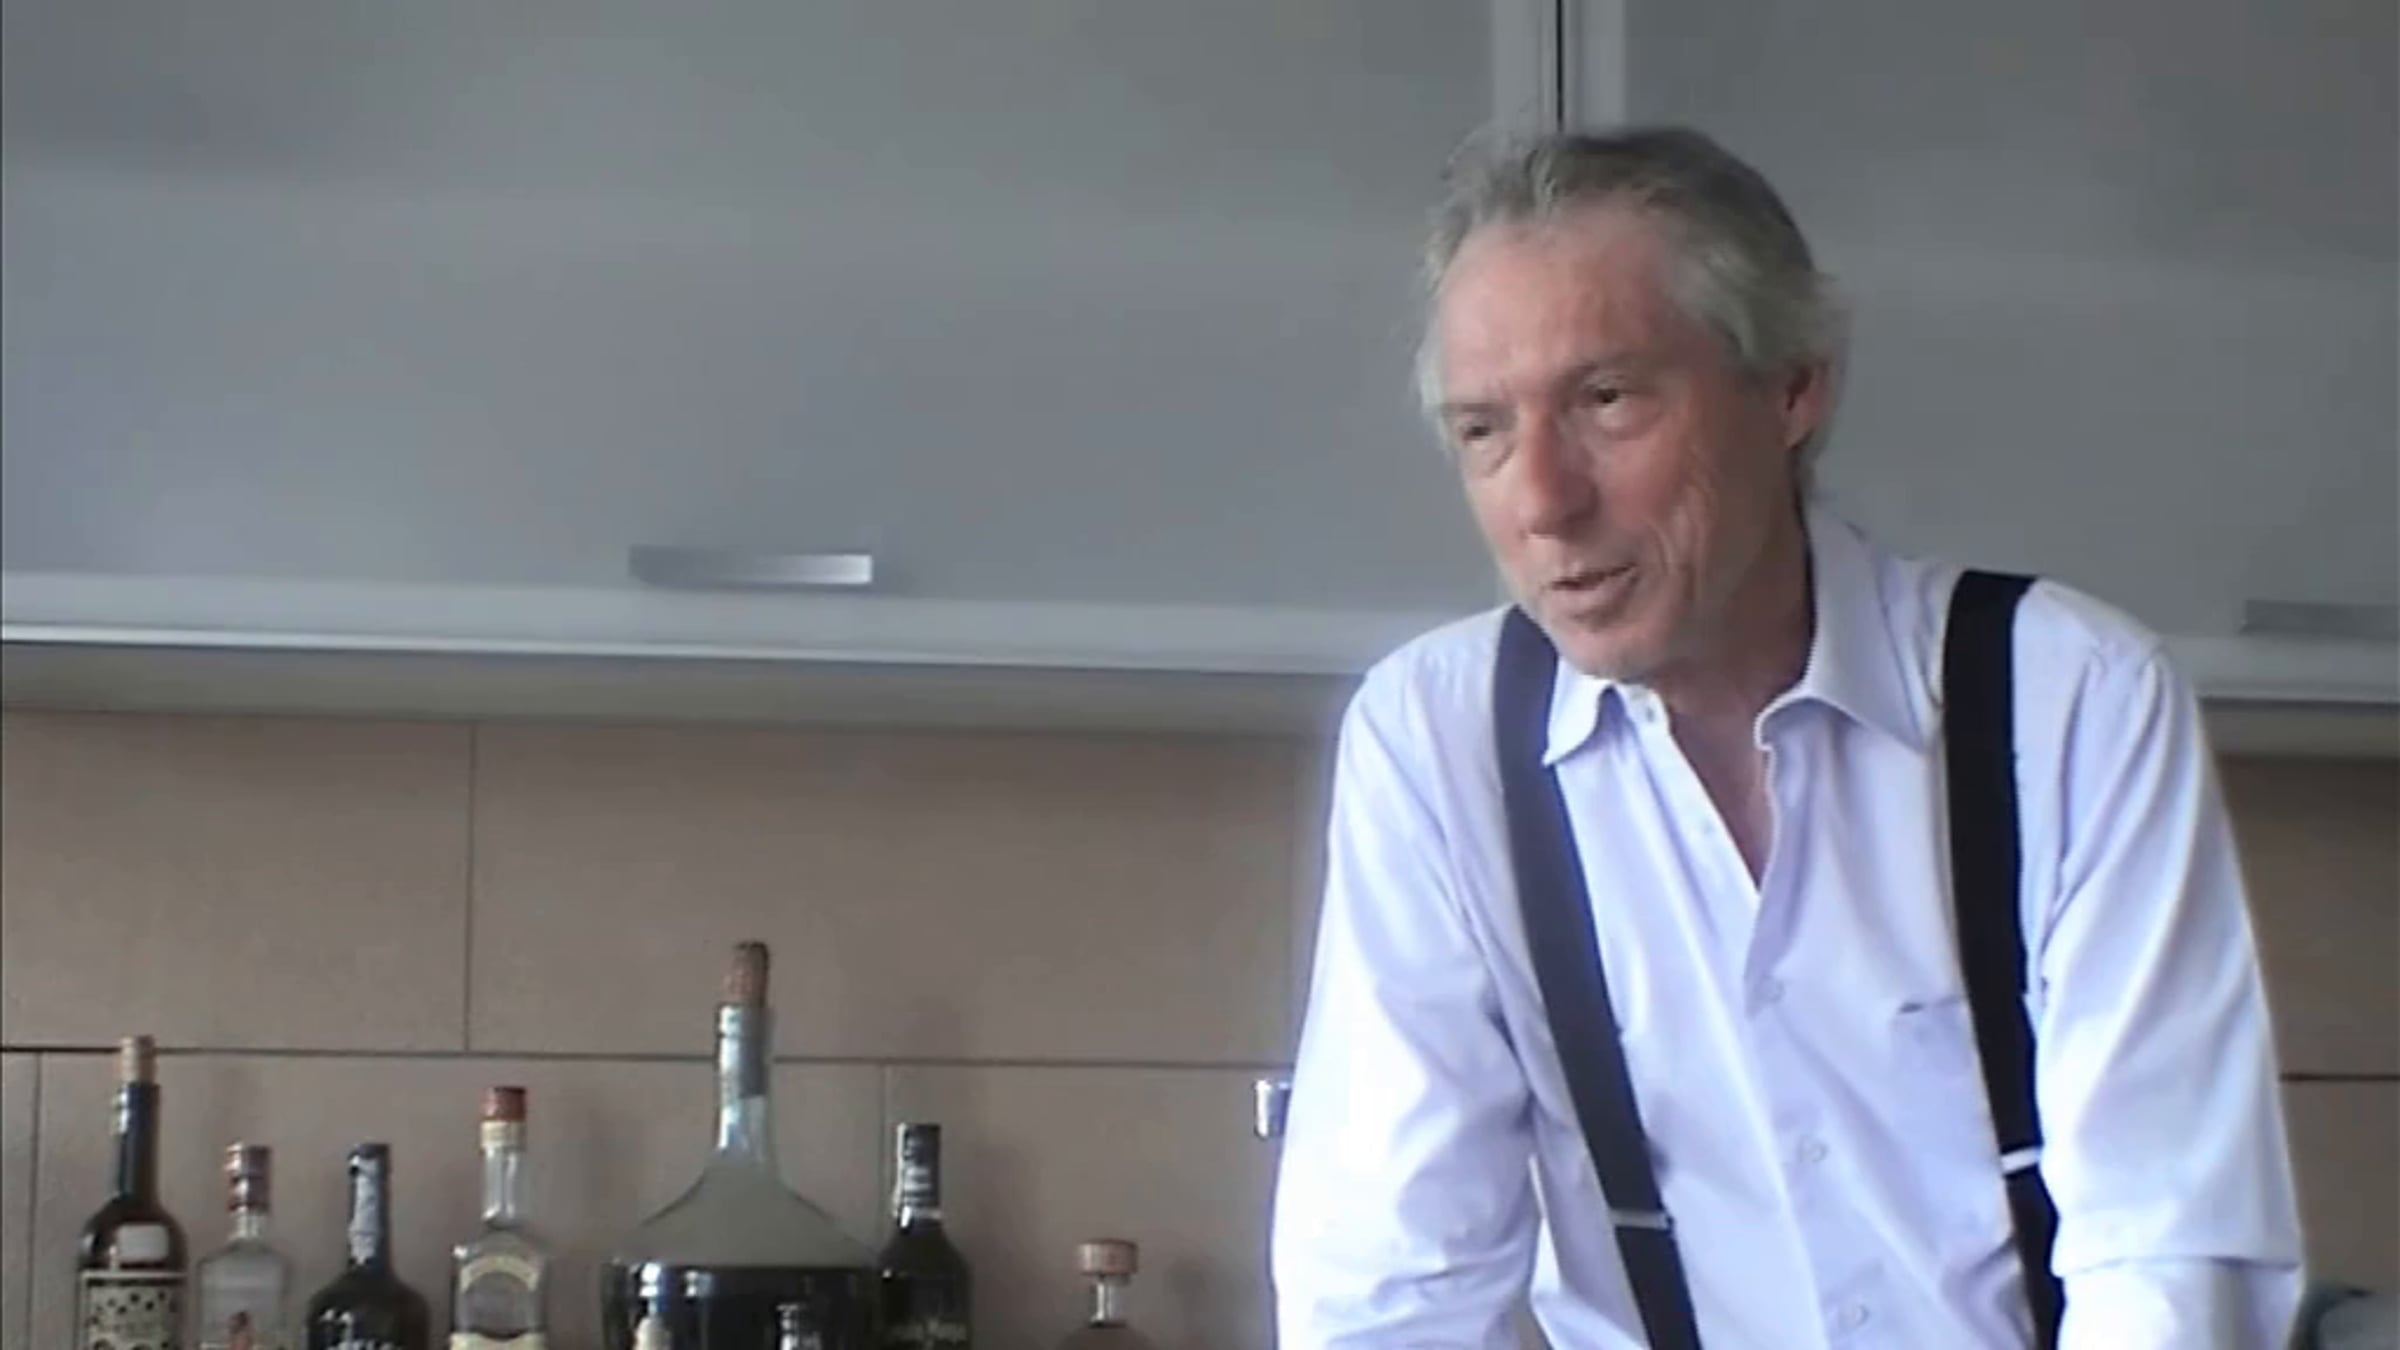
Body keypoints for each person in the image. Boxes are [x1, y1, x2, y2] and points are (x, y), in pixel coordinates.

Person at [1270, 127, 2303, 1349]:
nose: (1543, 501)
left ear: (1794, 388)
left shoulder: (2068, 698)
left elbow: (2167, 1258)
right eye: (1483, 431)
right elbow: (1394, 1291)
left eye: (1606, 400)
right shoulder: (1436, 743)